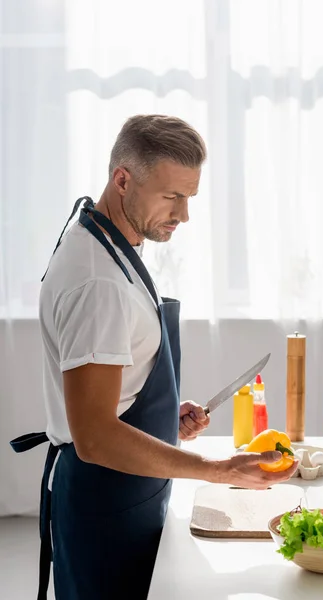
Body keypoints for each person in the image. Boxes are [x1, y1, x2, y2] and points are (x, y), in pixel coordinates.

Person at [10, 115, 298, 600]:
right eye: (172, 196)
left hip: (124, 487)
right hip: (107, 494)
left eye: (189, 197)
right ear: (123, 179)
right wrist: (219, 469)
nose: (183, 215)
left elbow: (109, 389)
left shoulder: (105, 239)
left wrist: (161, 416)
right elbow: (97, 437)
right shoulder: (99, 281)